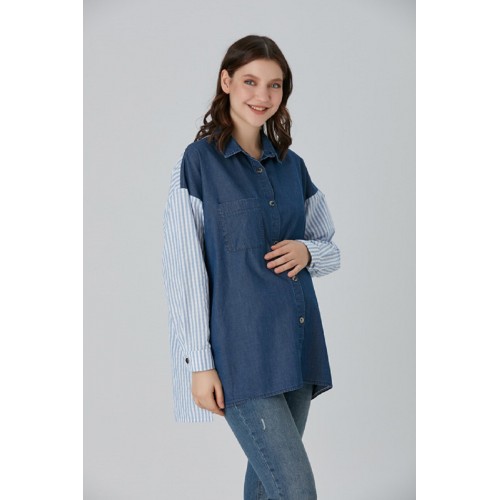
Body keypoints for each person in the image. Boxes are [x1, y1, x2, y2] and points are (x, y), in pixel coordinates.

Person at [162, 34, 341, 500]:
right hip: (241, 354)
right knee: (295, 489)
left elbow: (329, 248)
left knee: (267, 488)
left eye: (274, 85)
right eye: (250, 81)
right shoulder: (198, 163)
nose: (262, 95)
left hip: (298, 346)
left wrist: (307, 251)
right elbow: (184, 269)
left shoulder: (293, 167)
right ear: (226, 82)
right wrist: (198, 364)